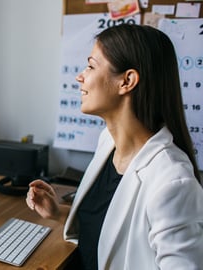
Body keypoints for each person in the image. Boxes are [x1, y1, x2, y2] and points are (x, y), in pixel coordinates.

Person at [26, 24, 203, 269]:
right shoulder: (108, 142)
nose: (80, 76)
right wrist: (59, 213)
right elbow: (113, 232)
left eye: (90, 66)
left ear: (127, 81)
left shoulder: (172, 182)